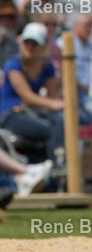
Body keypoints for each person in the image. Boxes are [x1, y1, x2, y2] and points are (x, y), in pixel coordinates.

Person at [0, 22, 65, 161]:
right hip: (9, 114)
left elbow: (52, 96)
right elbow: (27, 97)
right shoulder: (13, 64)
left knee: (59, 120)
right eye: (26, 42)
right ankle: (57, 165)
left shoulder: (47, 66)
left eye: (34, 43)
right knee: (49, 129)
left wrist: (55, 104)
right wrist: (54, 104)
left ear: (42, 46)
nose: (29, 47)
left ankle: (59, 163)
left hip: (30, 112)